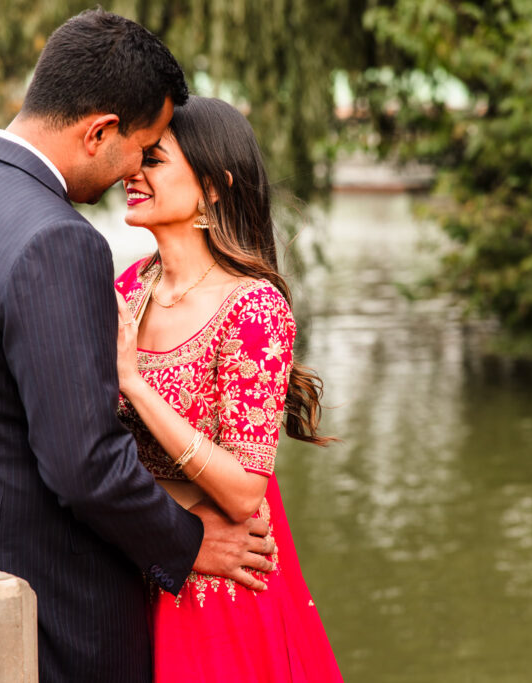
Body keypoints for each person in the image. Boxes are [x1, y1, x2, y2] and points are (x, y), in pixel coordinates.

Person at [0, 12, 274, 682]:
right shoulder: (57, 240)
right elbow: (83, 465)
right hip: (59, 607)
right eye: (143, 145)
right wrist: (191, 544)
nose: (137, 168)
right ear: (99, 131)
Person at [114, 95, 343, 682]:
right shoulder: (124, 288)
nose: (131, 173)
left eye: (154, 160)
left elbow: (244, 492)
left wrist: (136, 388)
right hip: (133, 561)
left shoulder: (254, 309)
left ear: (213, 187)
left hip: (219, 587)